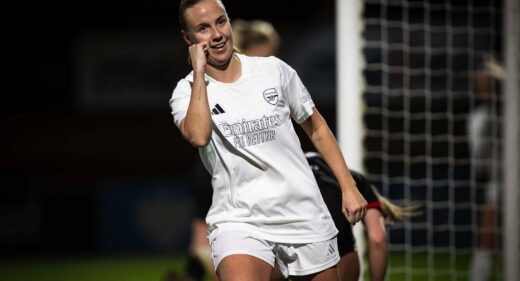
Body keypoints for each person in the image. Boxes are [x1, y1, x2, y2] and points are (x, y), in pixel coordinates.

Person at [171, 1, 367, 281]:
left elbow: (318, 129)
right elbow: (199, 135)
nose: (216, 34)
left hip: (303, 213)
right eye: (203, 28)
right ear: (187, 38)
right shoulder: (186, 91)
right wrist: (200, 72)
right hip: (239, 220)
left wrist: (348, 186)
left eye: (221, 22)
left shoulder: (273, 70)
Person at [270, 152, 421, 281]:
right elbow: (378, 239)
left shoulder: (276, 180)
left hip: (288, 251)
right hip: (341, 256)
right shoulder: (353, 180)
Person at [467, 55, 505, 281]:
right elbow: (480, 165)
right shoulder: (479, 119)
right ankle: (478, 275)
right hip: (499, 183)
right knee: (488, 232)